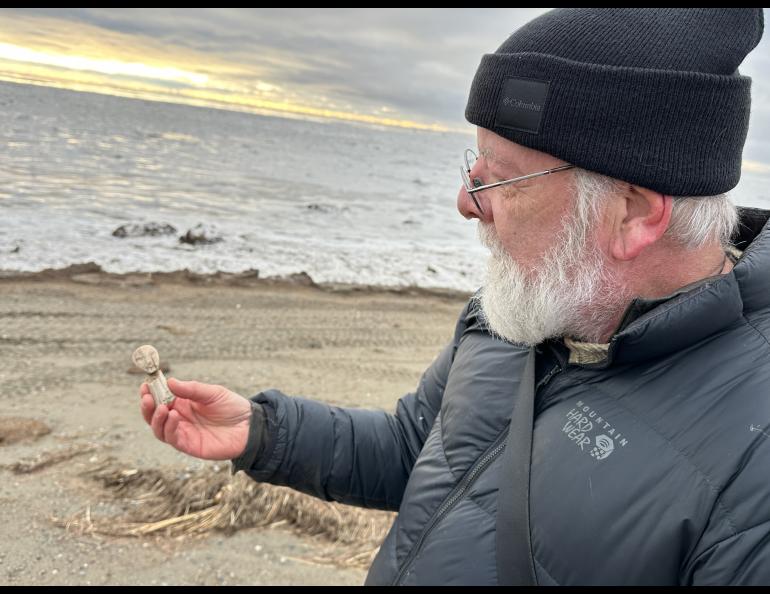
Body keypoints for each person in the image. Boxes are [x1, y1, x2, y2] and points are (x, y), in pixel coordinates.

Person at [139, 8, 770, 585]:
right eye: (474, 167)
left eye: (502, 179)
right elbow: (421, 447)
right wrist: (264, 433)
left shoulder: (753, 467)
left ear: (632, 214)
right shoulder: (526, 306)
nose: (466, 202)